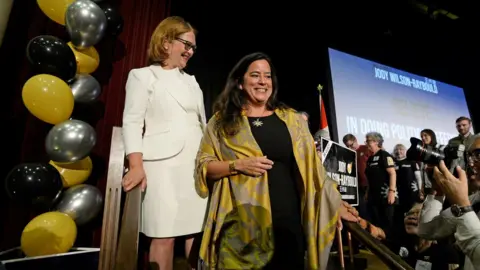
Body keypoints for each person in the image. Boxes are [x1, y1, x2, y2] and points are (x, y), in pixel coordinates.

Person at [194, 52, 358, 270]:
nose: (263, 81)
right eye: (255, 75)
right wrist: (237, 165)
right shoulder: (220, 122)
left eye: (268, 76)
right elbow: (204, 165)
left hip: (287, 224)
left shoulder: (292, 120)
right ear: (240, 83)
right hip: (240, 225)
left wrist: (334, 203)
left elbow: (314, 172)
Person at [121, 16, 208, 270]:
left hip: (194, 165)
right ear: (166, 42)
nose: (190, 52)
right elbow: (132, 122)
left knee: (196, 232)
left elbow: (203, 124)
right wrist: (135, 165)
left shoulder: (192, 82)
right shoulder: (142, 76)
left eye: (193, 47)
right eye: (186, 44)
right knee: (164, 235)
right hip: (161, 166)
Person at [418, 136, 480, 270]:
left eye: (478, 155)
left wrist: (462, 205)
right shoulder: (474, 201)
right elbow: (426, 231)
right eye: (469, 156)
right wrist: (438, 191)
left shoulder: (465, 202)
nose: (470, 163)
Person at [364, 132, 397, 232]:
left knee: (387, 223)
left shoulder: (385, 155)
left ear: (376, 142)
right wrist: (367, 192)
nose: (366, 143)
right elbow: (371, 178)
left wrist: (391, 192)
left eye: (368, 141)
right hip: (373, 196)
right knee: (375, 222)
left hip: (385, 196)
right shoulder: (369, 159)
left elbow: (392, 173)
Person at [343, 134, 372, 219]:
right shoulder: (348, 154)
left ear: (355, 140)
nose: (350, 148)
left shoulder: (366, 148)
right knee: (363, 211)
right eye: (347, 146)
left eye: (351, 145)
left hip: (369, 184)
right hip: (357, 187)